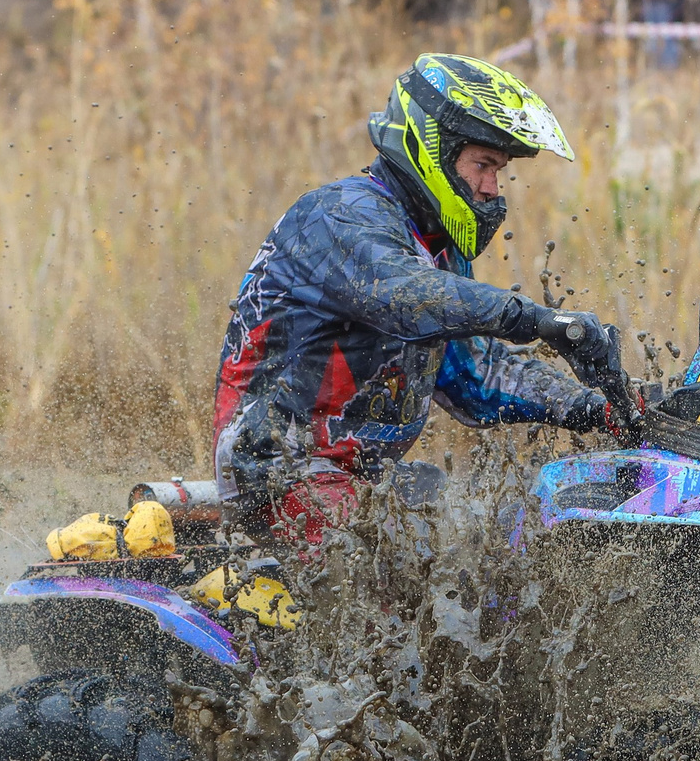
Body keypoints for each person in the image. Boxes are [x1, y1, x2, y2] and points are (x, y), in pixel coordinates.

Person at [212, 54, 607, 552]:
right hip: (274, 469)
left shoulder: (435, 251)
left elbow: (477, 379)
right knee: (428, 546)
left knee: (499, 541)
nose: (492, 189)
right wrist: (543, 321)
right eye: (483, 165)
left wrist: (596, 406)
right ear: (431, 149)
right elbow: (405, 296)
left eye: (499, 172)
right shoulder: (340, 216)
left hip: (359, 480)